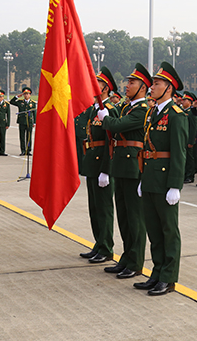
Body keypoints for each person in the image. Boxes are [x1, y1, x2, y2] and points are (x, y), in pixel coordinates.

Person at [104, 61, 187, 296]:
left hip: (164, 181)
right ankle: (157, 273)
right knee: (153, 230)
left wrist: (175, 186)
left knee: (168, 230)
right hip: (149, 177)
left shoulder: (177, 115)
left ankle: (168, 278)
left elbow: (179, 153)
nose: (152, 87)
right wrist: (142, 179)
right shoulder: (153, 113)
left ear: (169, 88)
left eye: (157, 84)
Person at [100, 63, 152, 279]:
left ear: (143, 88)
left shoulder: (142, 110)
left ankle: (136, 262)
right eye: (128, 81)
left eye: (132, 82)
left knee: (135, 219)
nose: (127, 85)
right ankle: (126, 258)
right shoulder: (127, 107)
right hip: (121, 166)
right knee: (123, 216)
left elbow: (118, 126)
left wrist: (105, 118)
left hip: (133, 168)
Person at [80, 67, 118, 264]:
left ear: (105, 89)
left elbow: (110, 144)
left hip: (102, 166)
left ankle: (106, 247)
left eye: (97, 84)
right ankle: (98, 244)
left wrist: (106, 170)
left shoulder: (108, 111)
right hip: (92, 165)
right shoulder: (93, 110)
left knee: (104, 209)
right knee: (94, 207)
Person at [10, 87, 36, 156]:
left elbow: (34, 113)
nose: (26, 95)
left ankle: (28, 150)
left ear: (30, 95)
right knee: (22, 137)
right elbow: (11, 102)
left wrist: (34, 122)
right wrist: (17, 96)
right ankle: (23, 150)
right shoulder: (20, 102)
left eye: (27, 94)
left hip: (29, 122)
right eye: (24, 94)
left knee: (29, 137)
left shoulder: (33, 103)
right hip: (22, 121)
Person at [181, 91, 197, 184]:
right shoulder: (183, 111)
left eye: (185, 100)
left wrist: (191, 141)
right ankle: (184, 174)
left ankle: (190, 176)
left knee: (190, 159)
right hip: (183, 139)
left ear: (190, 102)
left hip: (189, 139)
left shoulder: (192, 113)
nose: (183, 102)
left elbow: (193, 127)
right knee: (184, 158)